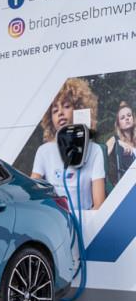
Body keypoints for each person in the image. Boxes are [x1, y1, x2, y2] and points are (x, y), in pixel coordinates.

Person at [31, 78, 106, 210]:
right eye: (55, 110)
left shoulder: (94, 150)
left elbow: (99, 204)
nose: (60, 112)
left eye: (66, 106)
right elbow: (32, 193)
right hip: (55, 219)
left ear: (79, 109)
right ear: (50, 119)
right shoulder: (43, 151)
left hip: (85, 220)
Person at [106, 101, 135, 187]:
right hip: (126, 188)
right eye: (122, 118)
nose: (127, 118)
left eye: (129, 115)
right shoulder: (115, 140)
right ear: (118, 124)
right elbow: (100, 158)